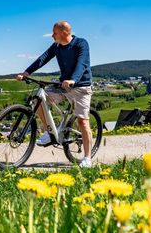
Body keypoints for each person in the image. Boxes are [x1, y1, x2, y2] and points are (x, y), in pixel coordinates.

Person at [16, 21, 94, 168]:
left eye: (55, 33)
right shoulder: (57, 46)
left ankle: (87, 158)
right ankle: (49, 133)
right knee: (37, 100)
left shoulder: (81, 44)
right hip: (63, 86)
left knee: (82, 121)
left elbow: (82, 64)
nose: (52, 36)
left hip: (80, 87)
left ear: (64, 32)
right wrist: (26, 72)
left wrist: (73, 79)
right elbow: (43, 57)